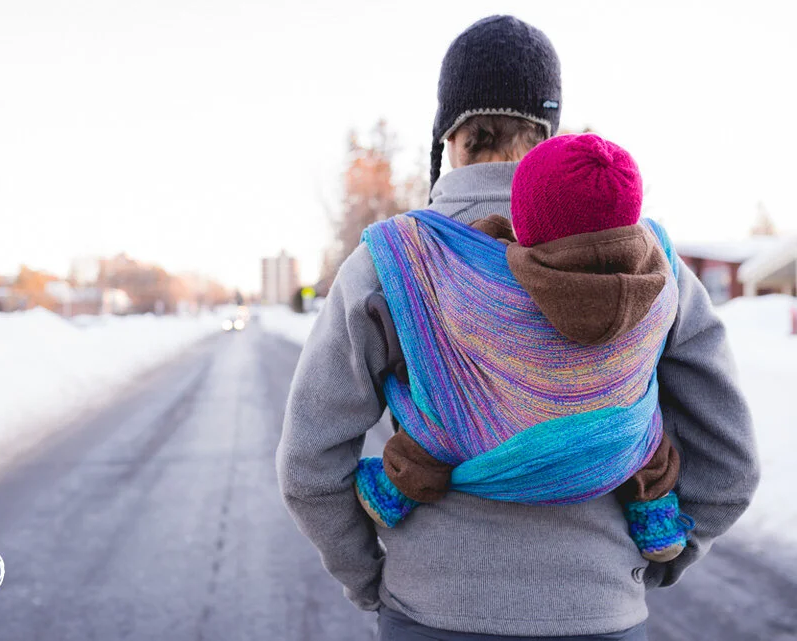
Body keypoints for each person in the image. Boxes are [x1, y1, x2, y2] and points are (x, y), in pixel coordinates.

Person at [277, 15, 759, 641]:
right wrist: (648, 565)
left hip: (429, 612)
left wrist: (372, 578)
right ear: (550, 130)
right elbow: (733, 462)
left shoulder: (391, 262)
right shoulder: (646, 264)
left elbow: (307, 466)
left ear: (448, 136)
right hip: (602, 614)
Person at [353, 132, 693, 565]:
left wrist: (365, 579)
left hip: (444, 575)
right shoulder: (663, 285)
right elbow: (729, 448)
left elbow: (304, 461)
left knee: (439, 421)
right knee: (648, 440)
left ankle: (392, 489)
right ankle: (655, 517)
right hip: (617, 452)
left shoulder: (479, 285)